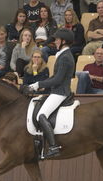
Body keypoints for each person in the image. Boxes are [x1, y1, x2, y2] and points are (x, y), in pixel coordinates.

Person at [28, 28, 75, 158]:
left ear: (64, 41)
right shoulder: (63, 54)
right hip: (57, 90)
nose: (55, 41)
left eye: (58, 39)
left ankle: (53, 147)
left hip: (60, 92)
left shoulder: (65, 57)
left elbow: (58, 79)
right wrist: (39, 84)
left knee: (41, 115)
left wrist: (39, 84)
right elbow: (54, 77)